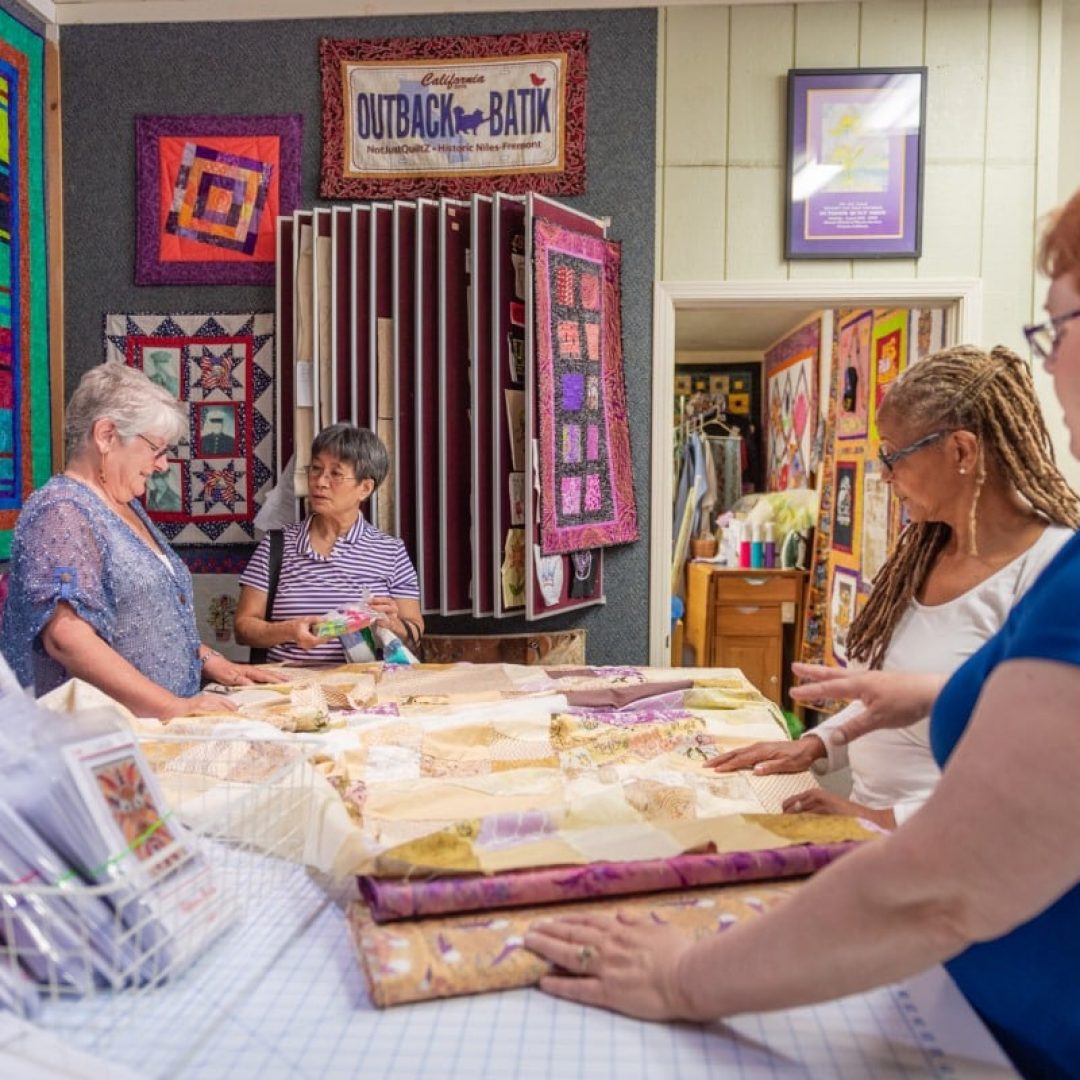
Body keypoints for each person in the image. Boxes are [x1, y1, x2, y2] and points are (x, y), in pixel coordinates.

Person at [524, 190, 1080, 1078]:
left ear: (964, 452)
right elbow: (999, 715)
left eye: (1060, 328)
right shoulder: (947, 558)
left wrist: (683, 977)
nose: (1051, 367)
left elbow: (943, 884)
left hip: (1015, 1027)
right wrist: (828, 737)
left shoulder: (1061, 574)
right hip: (962, 988)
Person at [706, 344, 1079, 828]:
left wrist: (882, 817)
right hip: (872, 835)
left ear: (961, 450)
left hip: (957, 855)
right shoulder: (922, 551)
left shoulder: (1054, 572)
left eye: (893, 455)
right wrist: (815, 745)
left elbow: (1048, 771)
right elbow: (888, 705)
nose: (884, 475)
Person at [0, 362, 284, 718]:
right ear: (106, 435)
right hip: (95, 740)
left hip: (151, 727)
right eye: (156, 448)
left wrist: (209, 660)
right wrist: (172, 707)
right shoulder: (62, 511)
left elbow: (144, 617)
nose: (162, 464)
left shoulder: (125, 504)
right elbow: (67, 637)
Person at [234, 424, 423, 664]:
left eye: (335, 473)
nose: (320, 482)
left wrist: (393, 625)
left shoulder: (391, 551)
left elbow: (415, 631)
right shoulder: (276, 546)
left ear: (364, 488)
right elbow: (242, 628)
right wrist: (290, 630)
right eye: (315, 469)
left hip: (365, 689)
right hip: (288, 688)